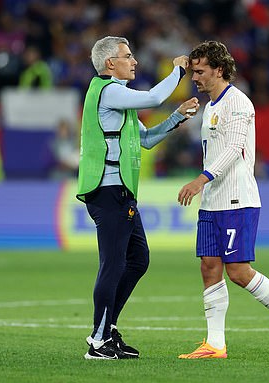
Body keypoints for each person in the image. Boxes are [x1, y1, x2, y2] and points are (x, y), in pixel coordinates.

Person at [177, 41, 269, 359]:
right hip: (212, 201)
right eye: (193, 71)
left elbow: (234, 149)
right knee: (209, 267)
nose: (194, 77)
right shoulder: (209, 107)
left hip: (237, 199)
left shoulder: (238, 103)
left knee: (237, 271)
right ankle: (215, 344)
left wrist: (200, 180)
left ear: (219, 70)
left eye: (200, 71)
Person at [76, 36, 199, 360]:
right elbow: (155, 96)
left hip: (121, 192)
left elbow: (145, 140)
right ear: (109, 64)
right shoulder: (108, 90)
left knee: (138, 260)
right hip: (108, 190)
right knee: (113, 264)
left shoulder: (118, 99)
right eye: (127, 56)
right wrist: (178, 71)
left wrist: (177, 117)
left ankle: (109, 329)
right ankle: (98, 341)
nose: (134, 61)